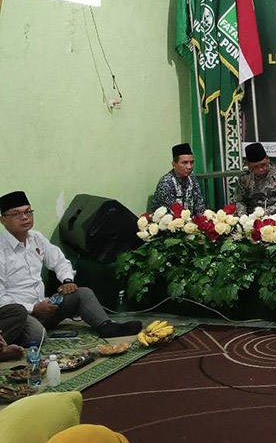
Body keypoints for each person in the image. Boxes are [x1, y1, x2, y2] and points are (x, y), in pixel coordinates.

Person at [0, 191, 142, 345]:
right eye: (16, 214)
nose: (25, 217)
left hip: (44, 307)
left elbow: (60, 261)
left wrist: (67, 281)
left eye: (28, 211)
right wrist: (33, 308)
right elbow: (1, 299)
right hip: (19, 314)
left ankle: (106, 326)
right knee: (37, 337)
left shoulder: (36, 238)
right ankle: (12, 340)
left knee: (83, 293)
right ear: (3, 220)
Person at [232, 142, 276, 216]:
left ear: (267, 159)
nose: (260, 169)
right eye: (255, 167)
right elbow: (239, 200)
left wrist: (265, 213)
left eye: (263, 165)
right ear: (248, 165)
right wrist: (243, 216)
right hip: (250, 216)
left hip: (275, 216)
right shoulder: (244, 177)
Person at [151, 143, 206, 215]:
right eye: (185, 163)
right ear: (174, 165)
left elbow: (200, 206)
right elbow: (172, 214)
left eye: (192, 162)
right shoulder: (166, 183)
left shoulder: (192, 177)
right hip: (170, 220)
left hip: (189, 220)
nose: (189, 167)